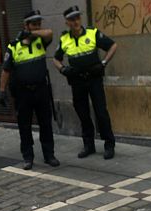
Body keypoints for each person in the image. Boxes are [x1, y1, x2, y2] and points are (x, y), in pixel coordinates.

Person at [53, 5, 117, 159]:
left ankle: (109, 145)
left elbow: (113, 45)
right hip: (77, 81)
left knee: (101, 113)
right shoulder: (64, 39)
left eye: (77, 18)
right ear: (66, 22)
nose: (75, 22)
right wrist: (62, 69)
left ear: (80, 19)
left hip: (94, 79)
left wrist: (103, 63)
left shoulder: (92, 33)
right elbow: (56, 59)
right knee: (83, 114)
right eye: (71, 19)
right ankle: (89, 145)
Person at [0, 10, 59, 170]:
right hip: (23, 93)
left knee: (45, 124)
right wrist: (2, 90)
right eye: (34, 24)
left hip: (41, 90)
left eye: (39, 24)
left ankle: (49, 155)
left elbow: (50, 32)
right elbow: (6, 70)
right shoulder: (14, 46)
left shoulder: (41, 41)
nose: (38, 27)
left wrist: (33, 33)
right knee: (24, 126)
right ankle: (28, 157)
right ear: (25, 25)